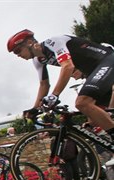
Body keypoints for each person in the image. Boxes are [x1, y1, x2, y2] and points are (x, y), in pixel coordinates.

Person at [7, 29, 114, 166]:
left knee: (82, 103)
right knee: (93, 121)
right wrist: (35, 108)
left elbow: (68, 66)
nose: (18, 55)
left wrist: (54, 95)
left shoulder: (54, 42)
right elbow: (44, 85)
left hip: (106, 61)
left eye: (18, 50)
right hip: (94, 72)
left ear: (29, 42)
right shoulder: (38, 61)